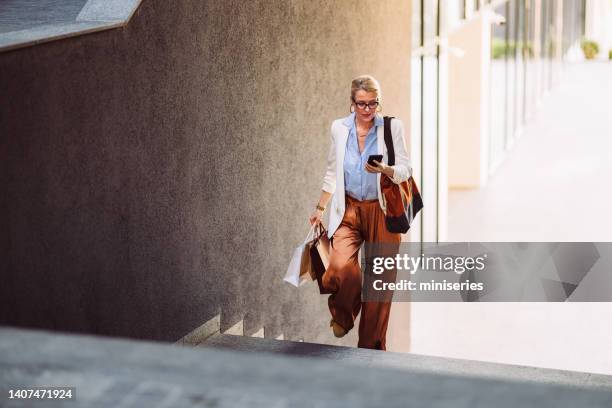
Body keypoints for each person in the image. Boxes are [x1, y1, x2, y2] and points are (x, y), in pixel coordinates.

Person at [309, 74, 412, 350]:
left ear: (379, 103)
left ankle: (371, 351)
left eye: (373, 104)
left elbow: (406, 169)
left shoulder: (391, 128)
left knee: (380, 284)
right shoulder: (339, 129)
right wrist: (321, 207)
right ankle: (343, 313)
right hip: (350, 208)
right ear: (351, 103)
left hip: (382, 211)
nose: (367, 110)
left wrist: (385, 170)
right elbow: (332, 171)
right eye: (361, 104)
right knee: (340, 266)